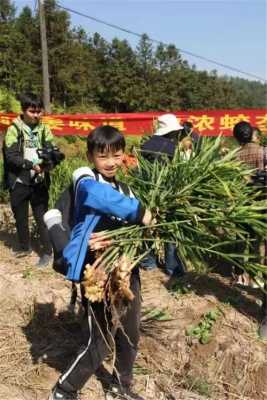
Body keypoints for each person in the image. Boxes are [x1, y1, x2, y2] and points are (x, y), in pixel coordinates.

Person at [48, 125, 153, 400]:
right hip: (96, 270)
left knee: (130, 332)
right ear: (90, 155)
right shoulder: (84, 178)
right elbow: (98, 197)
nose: (110, 162)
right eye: (102, 156)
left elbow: (141, 231)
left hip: (126, 269)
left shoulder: (127, 189)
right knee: (102, 338)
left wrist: (147, 227)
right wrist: (140, 212)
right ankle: (65, 389)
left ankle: (121, 385)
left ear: (123, 156)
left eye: (116, 155)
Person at [3, 94, 56, 266]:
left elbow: (51, 150)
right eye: (32, 111)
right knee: (20, 216)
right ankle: (24, 247)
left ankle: (47, 252)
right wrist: (29, 165)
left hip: (39, 180)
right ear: (23, 111)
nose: (36, 115)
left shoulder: (44, 129)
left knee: (42, 217)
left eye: (39, 112)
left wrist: (50, 161)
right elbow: (10, 156)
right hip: (18, 180)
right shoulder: (14, 129)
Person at [140, 113, 186, 277]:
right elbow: (180, 171)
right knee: (170, 226)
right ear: (172, 132)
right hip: (169, 193)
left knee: (147, 225)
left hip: (146, 191)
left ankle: (148, 262)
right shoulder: (173, 148)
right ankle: (171, 265)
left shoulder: (145, 145)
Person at [233, 121, 267, 339]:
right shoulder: (263, 152)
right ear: (252, 134)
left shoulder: (234, 156)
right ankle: (257, 276)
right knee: (259, 240)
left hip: (241, 203)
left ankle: (240, 274)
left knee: (241, 239)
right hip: (262, 203)